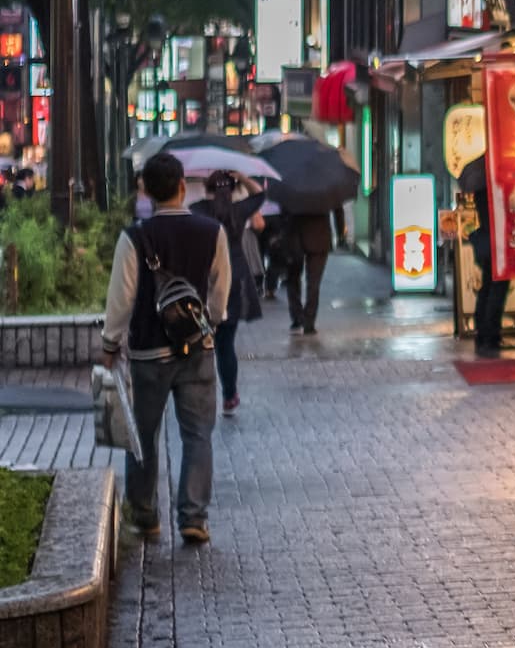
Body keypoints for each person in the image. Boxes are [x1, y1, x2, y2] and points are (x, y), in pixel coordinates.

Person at [103, 153, 230, 545]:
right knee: (197, 435)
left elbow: (121, 299)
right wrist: (209, 320)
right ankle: (193, 517)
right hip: (197, 349)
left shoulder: (135, 237)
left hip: (148, 353)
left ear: (145, 192)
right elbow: (221, 290)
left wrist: (109, 344)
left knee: (143, 435)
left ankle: (145, 516)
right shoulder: (212, 231)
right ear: (181, 187)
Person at [189, 172, 266, 415]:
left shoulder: (198, 209)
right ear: (233, 190)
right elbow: (260, 194)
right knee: (226, 343)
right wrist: (242, 177)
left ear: (206, 188)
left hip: (205, 279)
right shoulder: (240, 211)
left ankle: (201, 395)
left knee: (203, 339)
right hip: (235, 277)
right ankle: (229, 395)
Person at [457, 156, 511, 358]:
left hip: (489, 242)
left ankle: (484, 334)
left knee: (489, 285)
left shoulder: (479, 184)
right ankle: (490, 335)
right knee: (497, 286)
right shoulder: (492, 184)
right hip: (496, 242)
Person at [282, 205, 344, 335]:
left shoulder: (292, 185)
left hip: (295, 236)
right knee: (313, 282)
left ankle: (297, 316)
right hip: (319, 237)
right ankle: (309, 322)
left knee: (292, 278)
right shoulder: (326, 187)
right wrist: (341, 234)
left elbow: (284, 209)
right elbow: (338, 208)